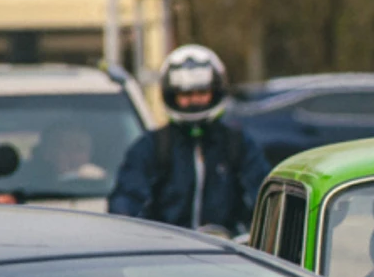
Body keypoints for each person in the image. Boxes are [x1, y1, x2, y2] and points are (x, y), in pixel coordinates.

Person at [109, 44, 268, 235]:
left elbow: (263, 199)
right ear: (171, 95)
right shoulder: (152, 147)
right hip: (165, 257)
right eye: (185, 94)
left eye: (201, 93)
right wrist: (144, 236)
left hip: (228, 256)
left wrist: (244, 235)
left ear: (215, 91)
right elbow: (126, 202)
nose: (194, 100)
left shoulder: (237, 144)